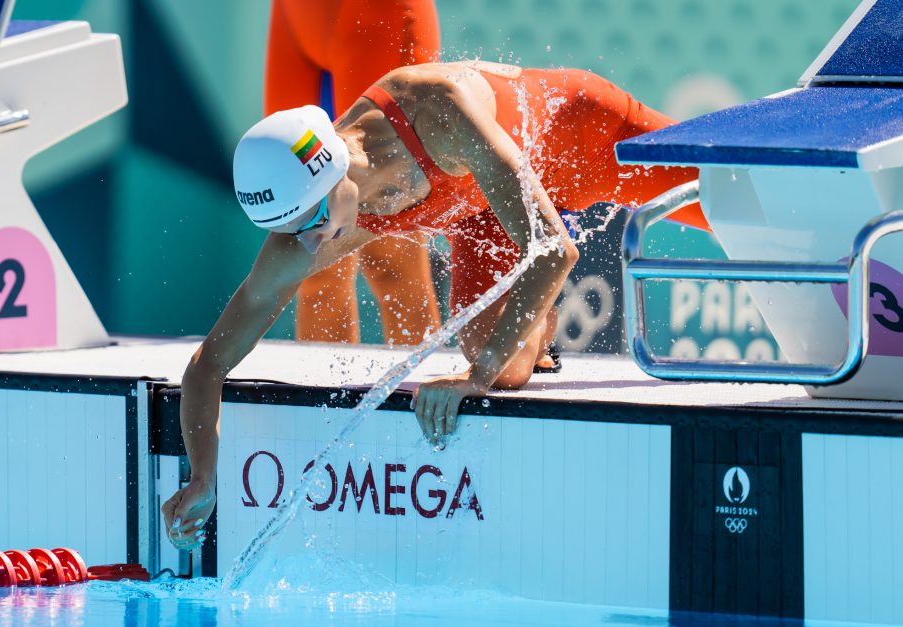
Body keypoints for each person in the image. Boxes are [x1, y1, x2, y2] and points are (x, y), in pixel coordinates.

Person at [162, 60, 708, 549]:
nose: (307, 244)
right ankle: (535, 326)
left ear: (335, 174)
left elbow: (552, 248)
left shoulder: (433, 112)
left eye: (309, 222)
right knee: (505, 368)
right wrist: (203, 476)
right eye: (286, 230)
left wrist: (475, 375)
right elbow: (209, 362)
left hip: (581, 139)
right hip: (484, 212)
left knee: (733, 191)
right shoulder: (312, 220)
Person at [265, 0, 443, 346]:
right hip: (295, 19)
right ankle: (319, 396)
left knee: (392, 258)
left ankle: (419, 394)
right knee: (310, 252)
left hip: (378, 15)